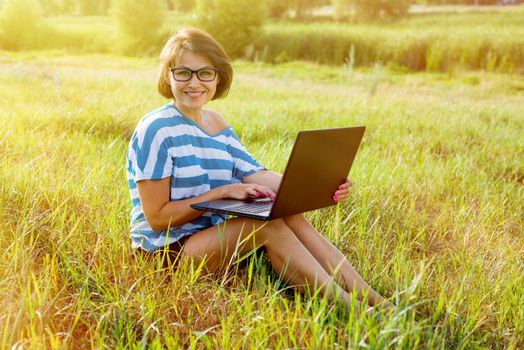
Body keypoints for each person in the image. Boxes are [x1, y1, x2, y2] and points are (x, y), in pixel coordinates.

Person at [126, 27, 390, 309]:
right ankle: (355, 310)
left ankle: (376, 300)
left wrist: (320, 184)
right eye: (183, 72)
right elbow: (157, 218)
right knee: (262, 226)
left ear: (218, 76)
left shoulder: (216, 124)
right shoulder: (156, 128)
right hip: (165, 252)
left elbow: (256, 174)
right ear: (168, 74)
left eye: (205, 72)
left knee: (287, 213)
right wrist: (221, 192)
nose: (194, 82)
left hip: (207, 238)